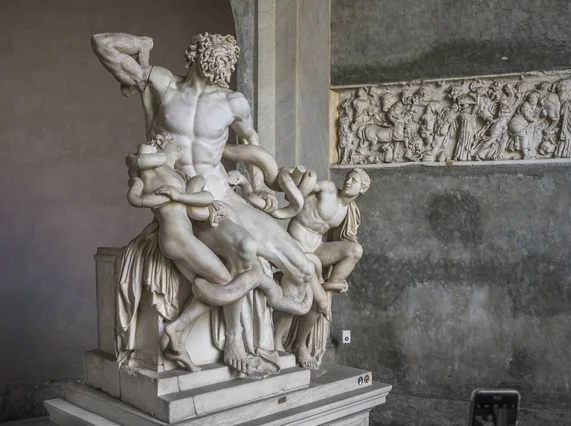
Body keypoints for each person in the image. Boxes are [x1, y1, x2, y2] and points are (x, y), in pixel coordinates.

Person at [92, 32, 317, 374]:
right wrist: (142, 44)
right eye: (216, 51)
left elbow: (251, 141)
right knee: (243, 247)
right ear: (195, 52)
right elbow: (103, 44)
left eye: (229, 55)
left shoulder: (234, 102)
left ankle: (283, 346)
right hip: (188, 200)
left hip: (221, 191)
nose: (224, 59)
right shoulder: (163, 83)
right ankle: (235, 340)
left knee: (300, 266)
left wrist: (259, 187)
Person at [283, 168, 370, 368]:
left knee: (355, 250)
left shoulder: (349, 211)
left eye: (354, 180)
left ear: (362, 188)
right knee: (320, 303)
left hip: (316, 249)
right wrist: (300, 177)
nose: (348, 182)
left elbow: (345, 239)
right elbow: (303, 186)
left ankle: (331, 285)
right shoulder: (329, 189)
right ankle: (299, 345)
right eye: (348, 178)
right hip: (296, 246)